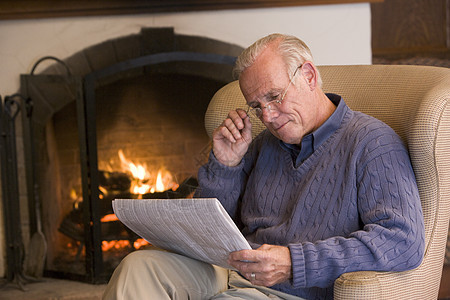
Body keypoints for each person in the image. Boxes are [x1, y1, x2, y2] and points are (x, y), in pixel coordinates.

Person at [103, 33, 425, 300]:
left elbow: (403, 240)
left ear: (309, 76)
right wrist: (226, 164)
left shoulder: (372, 142)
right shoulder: (263, 144)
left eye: (275, 96)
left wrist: (293, 263)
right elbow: (214, 224)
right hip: (232, 271)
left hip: (291, 291)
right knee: (137, 268)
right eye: (257, 105)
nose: (267, 116)